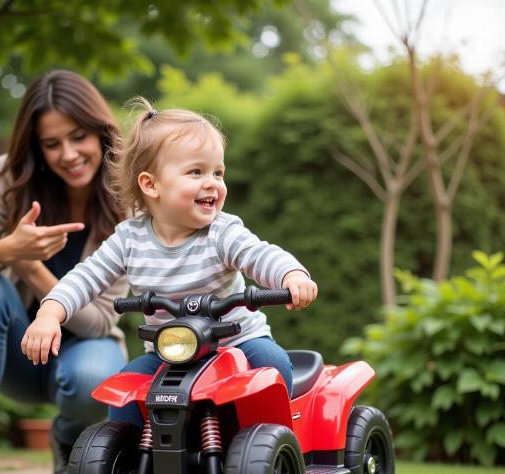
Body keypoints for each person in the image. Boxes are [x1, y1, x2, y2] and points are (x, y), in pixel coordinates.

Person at [21, 98, 318, 425]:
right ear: (150, 184)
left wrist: (290, 274)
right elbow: (84, 278)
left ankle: (269, 441)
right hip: (170, 353)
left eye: (218, 172)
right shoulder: (128, 239)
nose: (212, 183)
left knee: (271, 364)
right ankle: (124, 456)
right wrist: (49, 313)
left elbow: (260, 255)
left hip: (237, 343)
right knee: (125, 392)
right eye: (196, 172)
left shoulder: (222, 232)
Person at [0, 70, 129, 474]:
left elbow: (100, 320)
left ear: (100, 131)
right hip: (17, 353)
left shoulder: (128, 197)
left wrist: (30, 268)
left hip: (85, 348)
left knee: (93, 383)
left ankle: (67, 437)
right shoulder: (12, 176)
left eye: (78, 136)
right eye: (52, 144)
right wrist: (8, 252)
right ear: (37, 147)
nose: (68, 154)